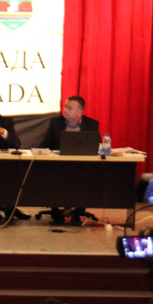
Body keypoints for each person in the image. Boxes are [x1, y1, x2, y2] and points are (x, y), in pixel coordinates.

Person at [40, 96, 101, 225]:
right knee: (50, 176)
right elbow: (45, 145)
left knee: (88, 177)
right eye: (65, 107)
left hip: (83, 167)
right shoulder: (55, 123)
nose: (65, 110)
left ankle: (77, 213)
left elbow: (98, 147)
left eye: (69, 108)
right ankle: (56, 213)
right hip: (58, 166)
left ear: (80, 112)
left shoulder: (91, 124)